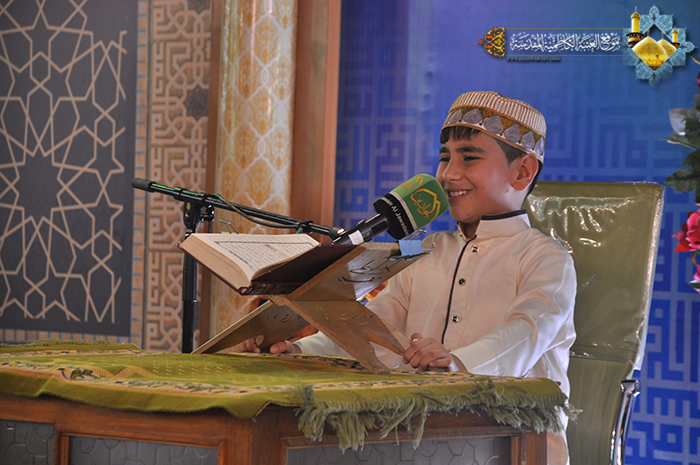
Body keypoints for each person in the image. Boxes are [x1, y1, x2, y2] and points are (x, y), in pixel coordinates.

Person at [240, 91, 576, 465]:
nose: (448, 174)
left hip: (517, 444)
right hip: (426, 439)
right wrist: (301, 351)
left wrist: (457, 362)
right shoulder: (426, 248)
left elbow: (525, 334)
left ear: (522, 171)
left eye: (469, 157)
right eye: (445, 158)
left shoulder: (546, 257)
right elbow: (379, 327)